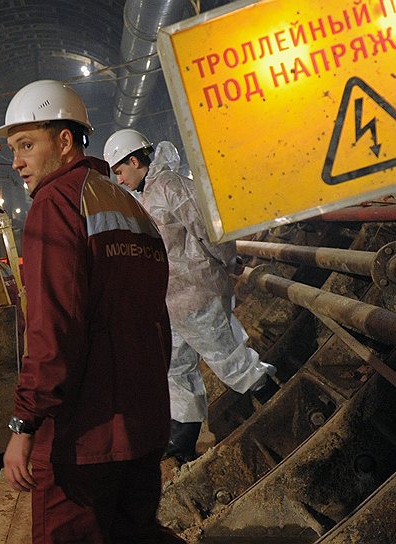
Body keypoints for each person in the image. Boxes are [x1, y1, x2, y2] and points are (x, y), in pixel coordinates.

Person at [0, 80, 182, 543]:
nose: (15, 161)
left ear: (63, 140)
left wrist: (25, 423)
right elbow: (157, 322)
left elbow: (53, 329)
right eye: (13, 148)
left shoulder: (55, 204)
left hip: (84, 438)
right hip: (144, 424)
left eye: (26, 144)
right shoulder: (126, 203)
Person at [103, 129, 280, 464]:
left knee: (229, 359)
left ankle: (280, 408)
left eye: (120, 169)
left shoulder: (171, 187)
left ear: (135, 160)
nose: (120, 177)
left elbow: (208, 230)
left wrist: (228, 261)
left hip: (198, 296)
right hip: (171, 304)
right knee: (175, 370)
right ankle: (182, 444)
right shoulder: (144, 197)